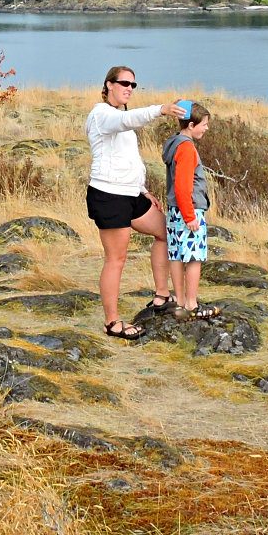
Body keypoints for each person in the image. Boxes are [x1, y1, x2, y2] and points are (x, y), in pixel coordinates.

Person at [86, 65, 184, 338]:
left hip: (130, 194)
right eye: (124, 83)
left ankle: (162, 296)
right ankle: (112, 322)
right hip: (108, 196)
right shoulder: (102, 114)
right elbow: (125, 123)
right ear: (109, 85)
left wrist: (142, 190)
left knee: (165, 232)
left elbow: (129, 159)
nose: (129, 88)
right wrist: (160, 110)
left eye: (133, 84)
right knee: (116, 259)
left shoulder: (120, 116)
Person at [161, 100, 220, 320]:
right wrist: (190, 216)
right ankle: (192, 304)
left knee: (176, 255)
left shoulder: (174, 143)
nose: (206, 128)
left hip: (175, 210)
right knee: (194, 258)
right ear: (191, 125)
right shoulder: (186, 148)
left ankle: (180, 301)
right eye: (204, 124)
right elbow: (183, 186)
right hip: (189, 211)